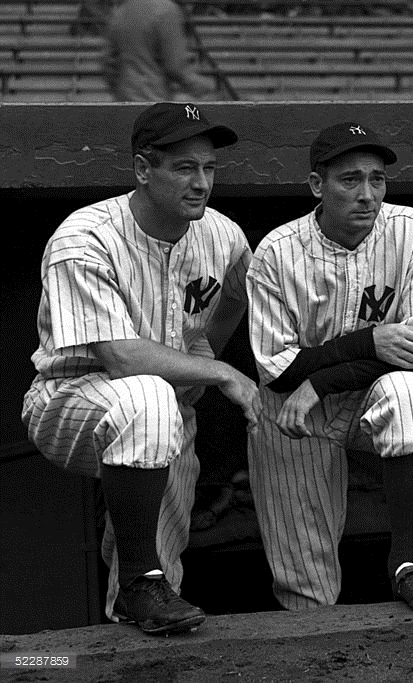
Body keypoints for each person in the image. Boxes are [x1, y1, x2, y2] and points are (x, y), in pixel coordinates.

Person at [21, 102, 259, 635]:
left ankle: (139, 613)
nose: (201, 183)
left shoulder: (222, 236)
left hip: (162, 407)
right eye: (183, 168)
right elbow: (120, 358)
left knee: (162, 571)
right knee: (149, 396)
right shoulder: (84, 237)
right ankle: (137, 582)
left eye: (209, 169)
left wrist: (202, 357)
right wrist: (217, 372)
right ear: (141, 169)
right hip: (69, 396)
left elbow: (236, 298)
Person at [246, 122, 413, 612]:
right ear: (318, 185)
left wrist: (322, 377)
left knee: (412, 396)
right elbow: (278, 370)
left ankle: (407, 563)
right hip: (293, 415)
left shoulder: (409, 227)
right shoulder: (276, 251)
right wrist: (368, 342)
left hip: (362, 396)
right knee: (306, 586)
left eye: (377, 180)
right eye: (350, 180)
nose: (367, 195)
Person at [102, 0, 216, 102]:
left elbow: (108, 64)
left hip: (124, 100)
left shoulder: (122, 11)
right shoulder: (166, 10)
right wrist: (205, 87)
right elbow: (175, 68)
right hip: (153, 101)